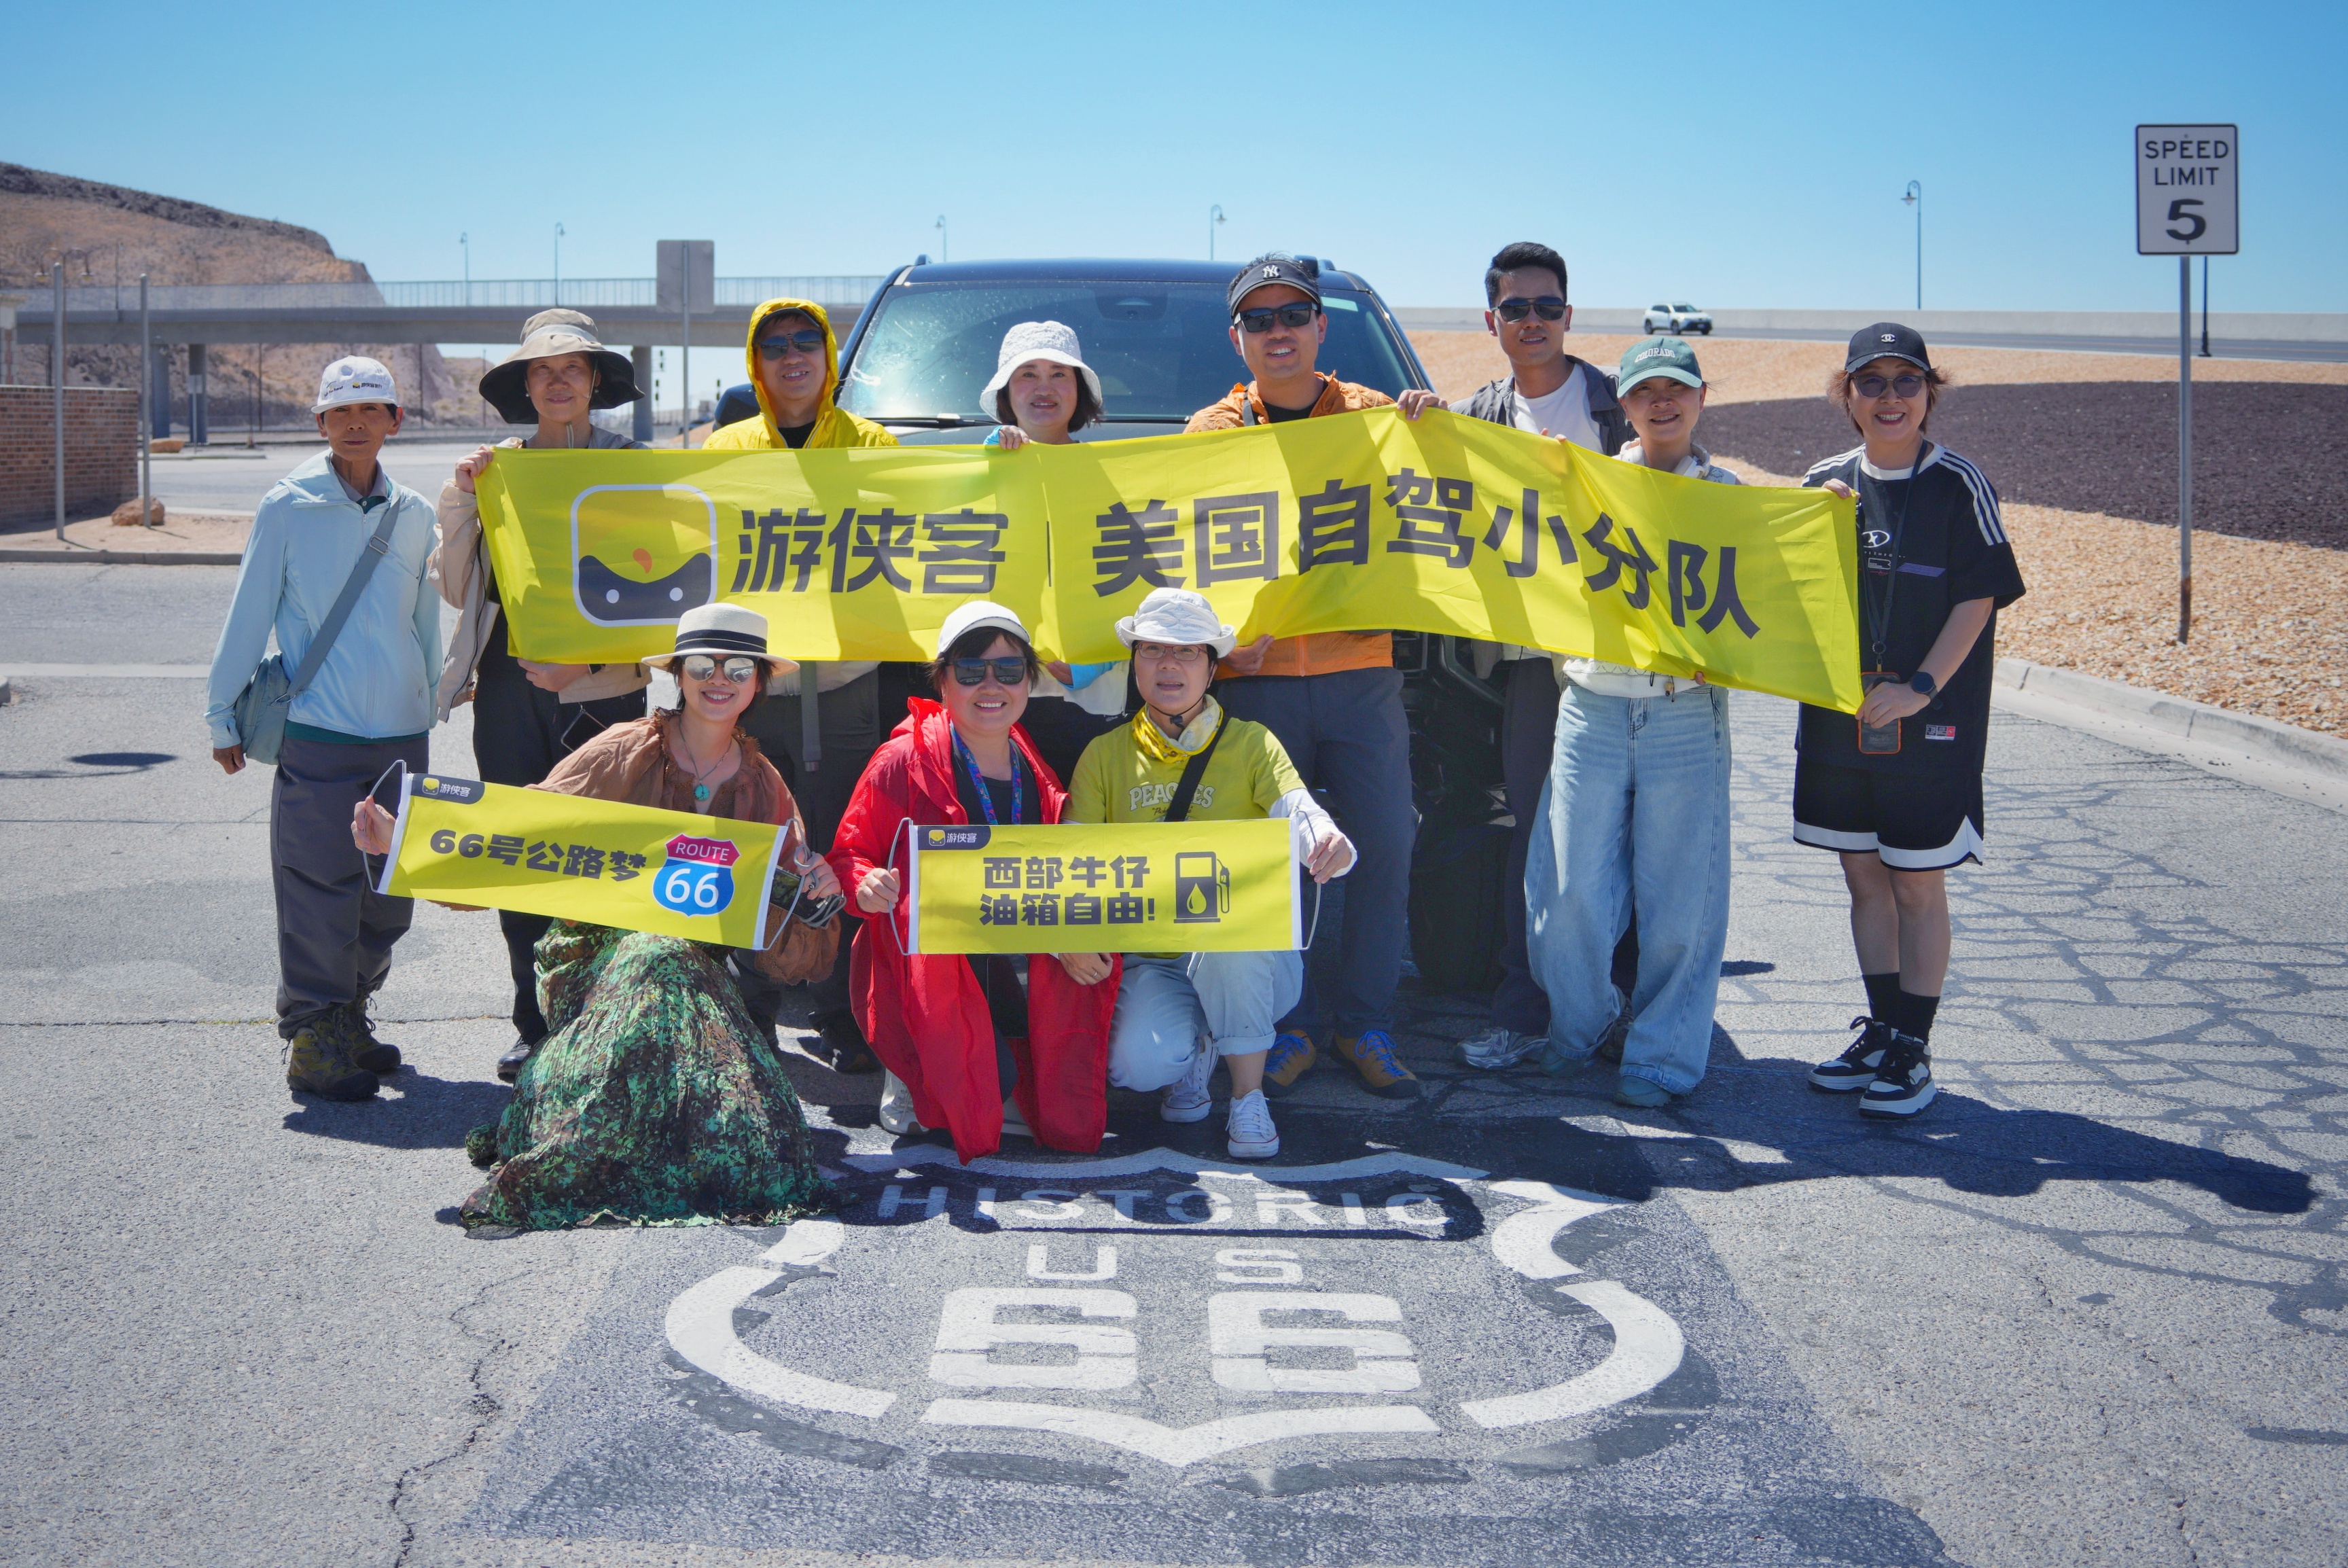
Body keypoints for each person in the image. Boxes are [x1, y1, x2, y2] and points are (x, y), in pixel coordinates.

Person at [353, 605, 846, 1230]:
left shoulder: (765, 786)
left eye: (739, 669)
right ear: (677, 675)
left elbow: (790, 944)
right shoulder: (623, 750)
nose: (719, 679)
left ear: (758, 684)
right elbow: (524, 829)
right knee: (653, 957)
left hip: (694, 976)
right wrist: (406, 845)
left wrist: (817, 894)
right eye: (702, 665)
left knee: (757, 1142)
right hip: (593, 957)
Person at [1184, 254, 1440, 1105]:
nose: (1279, 331)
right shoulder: (1210, 432)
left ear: (1322, 327)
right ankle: (1287, 1025)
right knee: (1274, 856)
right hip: (1254, 679)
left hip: (1361, 672)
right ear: (1238, 339)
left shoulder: (1376, 417)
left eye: (1293, 314)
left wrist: (1438, 432)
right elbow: (1179, 548)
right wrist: (1224, 654)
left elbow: (1446, 505)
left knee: (1385, 844)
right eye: (1259, 320)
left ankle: (1365, 1023)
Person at [1797, 324, 2026, 1118]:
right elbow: (1780, 586)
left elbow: (1980, 596)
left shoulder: (1960, 483)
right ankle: (1883, 1031)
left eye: (1906, 381)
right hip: (1841, 721)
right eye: (1872, 382)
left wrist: (1921, 687)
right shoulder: (1822, 483)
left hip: (1929, 721)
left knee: (1916, 883)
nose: (1889, 397)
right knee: (1863, 876)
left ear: (1930, 392)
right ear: (1847, 395)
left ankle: (1913, 1049)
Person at [204, 357, 440, 1102]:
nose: (355, 424)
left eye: (371, 410)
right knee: (317, 889)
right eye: (341, 412)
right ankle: (312, 1034)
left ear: (395, 420)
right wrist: (221, 711)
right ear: (320, 423)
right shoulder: (288, 506)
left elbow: (424, 620)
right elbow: (249, 612)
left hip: (401, 733)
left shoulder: (415, 514)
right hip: (320, 728)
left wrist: (431, 696)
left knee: (388, 891)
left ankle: (348, 1017)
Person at [433, 309, 653, 1082]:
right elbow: (456, 587)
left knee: (604, 854)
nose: (558, 381)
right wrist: (463, 498)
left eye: (572, 369)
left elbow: (668, 590)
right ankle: (533, 1020)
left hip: (606, 692)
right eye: (542, 370)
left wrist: (583, 663)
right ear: (525, 386)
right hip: (507, 685)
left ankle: (602, 1022)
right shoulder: (496, 470)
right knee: (521, 850)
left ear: (595, 381)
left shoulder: (636, 468)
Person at [1523, 338, 1741, 1109]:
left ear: (1702, 397)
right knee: (1569, 891)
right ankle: (1578, 1027)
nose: (1662, 403)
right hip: (1591, 705)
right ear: (1626, 403)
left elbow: (1774, 590)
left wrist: (1830, 518)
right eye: (1646, 390)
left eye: (1676, 388)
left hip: (1686, 713)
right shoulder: (1589, 481)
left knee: (1680, 900)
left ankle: (1661, 1057)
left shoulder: (1732, 497)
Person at [1064, 590, 1355, 1160]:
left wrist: (1327, 841)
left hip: (1251, 958)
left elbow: (1298, 809)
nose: (1168, 665)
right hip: (1153, 958)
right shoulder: (1103, 754)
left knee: (1229, 933)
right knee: (1135, 1065)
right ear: (1134, 663)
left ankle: (1248, 1096)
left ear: (1212, 667)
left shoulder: (1253, 742)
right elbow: (1073, 856)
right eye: (1152, 650)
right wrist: (1068, 936)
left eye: (1187, 652)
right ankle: (1197, 1049)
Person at [826, 603, 1119, 1163]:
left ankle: (983, 1060)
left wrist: (1074, 935)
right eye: (970, 670)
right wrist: (866, 884)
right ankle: (908, 1068)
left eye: (1008, 671)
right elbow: (849, 855)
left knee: (1019, 1079)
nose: (991, 686)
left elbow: (1056, 872)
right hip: (929, 965)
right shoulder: (902, 759)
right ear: (942, 680)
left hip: (1010, 952)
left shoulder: (1030, 760)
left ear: (1029, 681)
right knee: (962, 1094)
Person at [1444, 241, 1636, 1074]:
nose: (1533, 321)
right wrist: (1418, 421)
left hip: (1628, 662)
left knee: (1624, 839)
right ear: (1491, 320)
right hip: (1531, 667)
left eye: (1547, 306)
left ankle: (1619, 1007)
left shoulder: (1621, 402)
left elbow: (1694, 494)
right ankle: (1525, 1011)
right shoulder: (1473, 418)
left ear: (1569, 314)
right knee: (1537, 837)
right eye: (1515, 308)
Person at [706, 298, 898, 1077]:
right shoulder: (723, 449)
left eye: (806, 342)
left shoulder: (872, 444)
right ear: (757, 364)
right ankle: (752, 1005)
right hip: (749, 692)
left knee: (839, 850)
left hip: (845, 686)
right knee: (751, 846)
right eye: (775, 345)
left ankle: (841, 1009)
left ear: (829, 355)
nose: (793, 357)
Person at [977, 319, 1128, 781]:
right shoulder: (978, 474)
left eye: (1059, 374)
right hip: (993, 690)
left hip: (1090, 698)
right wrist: (993, 461)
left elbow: (1136, 578)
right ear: (1006, 393)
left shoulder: (1113, 476)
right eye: (1028, 374)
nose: (1044, 387)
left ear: (1080, 390)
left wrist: (1092, 661)